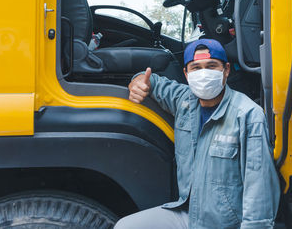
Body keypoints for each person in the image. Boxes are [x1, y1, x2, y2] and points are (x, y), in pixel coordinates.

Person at [115, 39, 280, 229]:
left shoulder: (248, 115)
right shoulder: (184, 100)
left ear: (226, 70)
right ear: (186, 73)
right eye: (196, 68)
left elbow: (259, 192)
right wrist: (137, 82)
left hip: (226, 224)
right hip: (188, 216)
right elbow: (152, 81)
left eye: (211, 66)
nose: (203, 74)